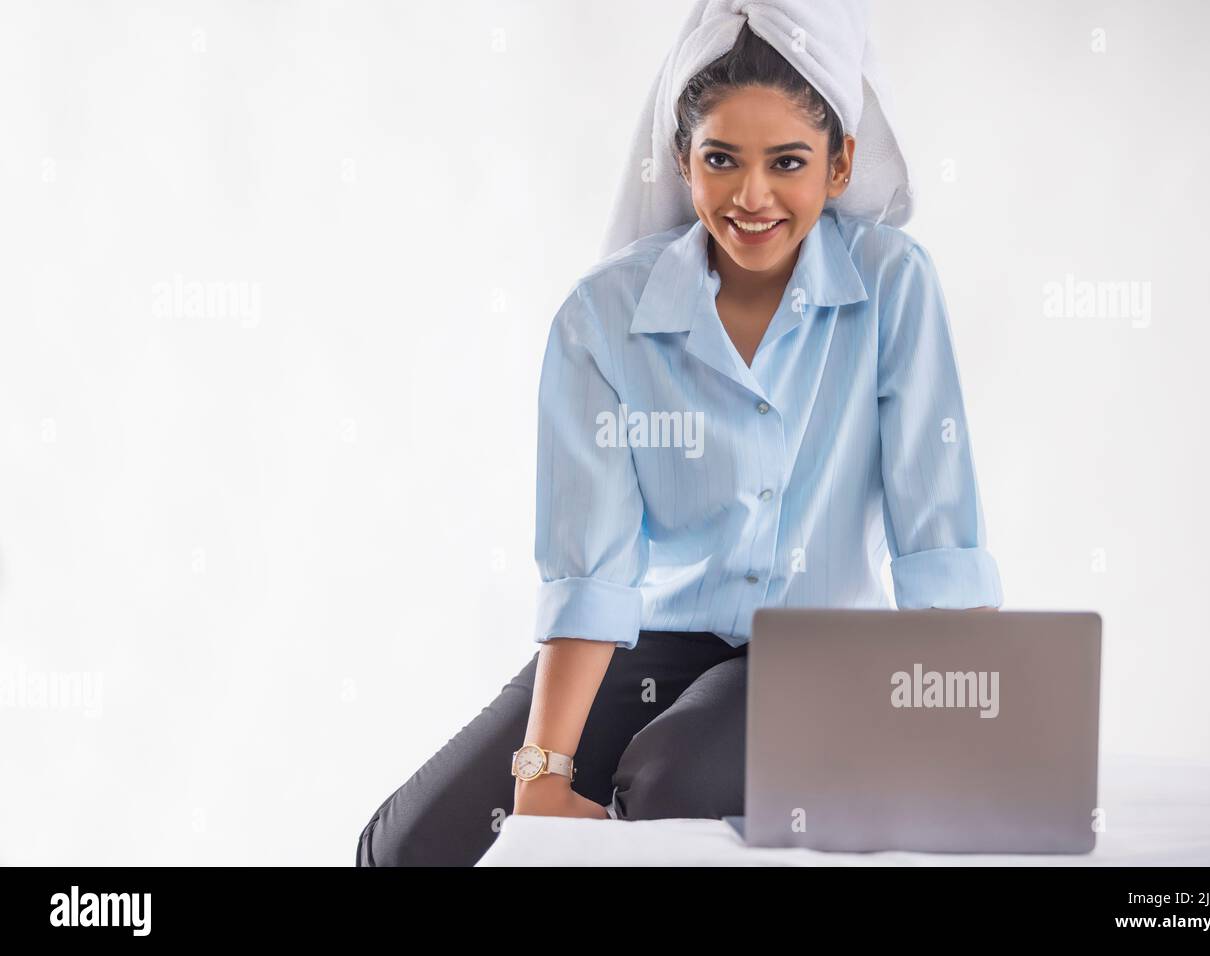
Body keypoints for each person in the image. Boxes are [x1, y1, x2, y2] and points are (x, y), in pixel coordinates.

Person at [356, 16, 1002, 868]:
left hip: (821, 655)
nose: (752, 197)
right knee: (407, 848)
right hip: (653, 641)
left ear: (840, 163)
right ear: (682, 158)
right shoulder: (604, 316)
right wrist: (541, 773)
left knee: (666, 784)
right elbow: (594, 569)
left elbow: (938, 539)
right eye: (722, 159)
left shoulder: (894, 285)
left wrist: (965, 728)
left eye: (789, 163)